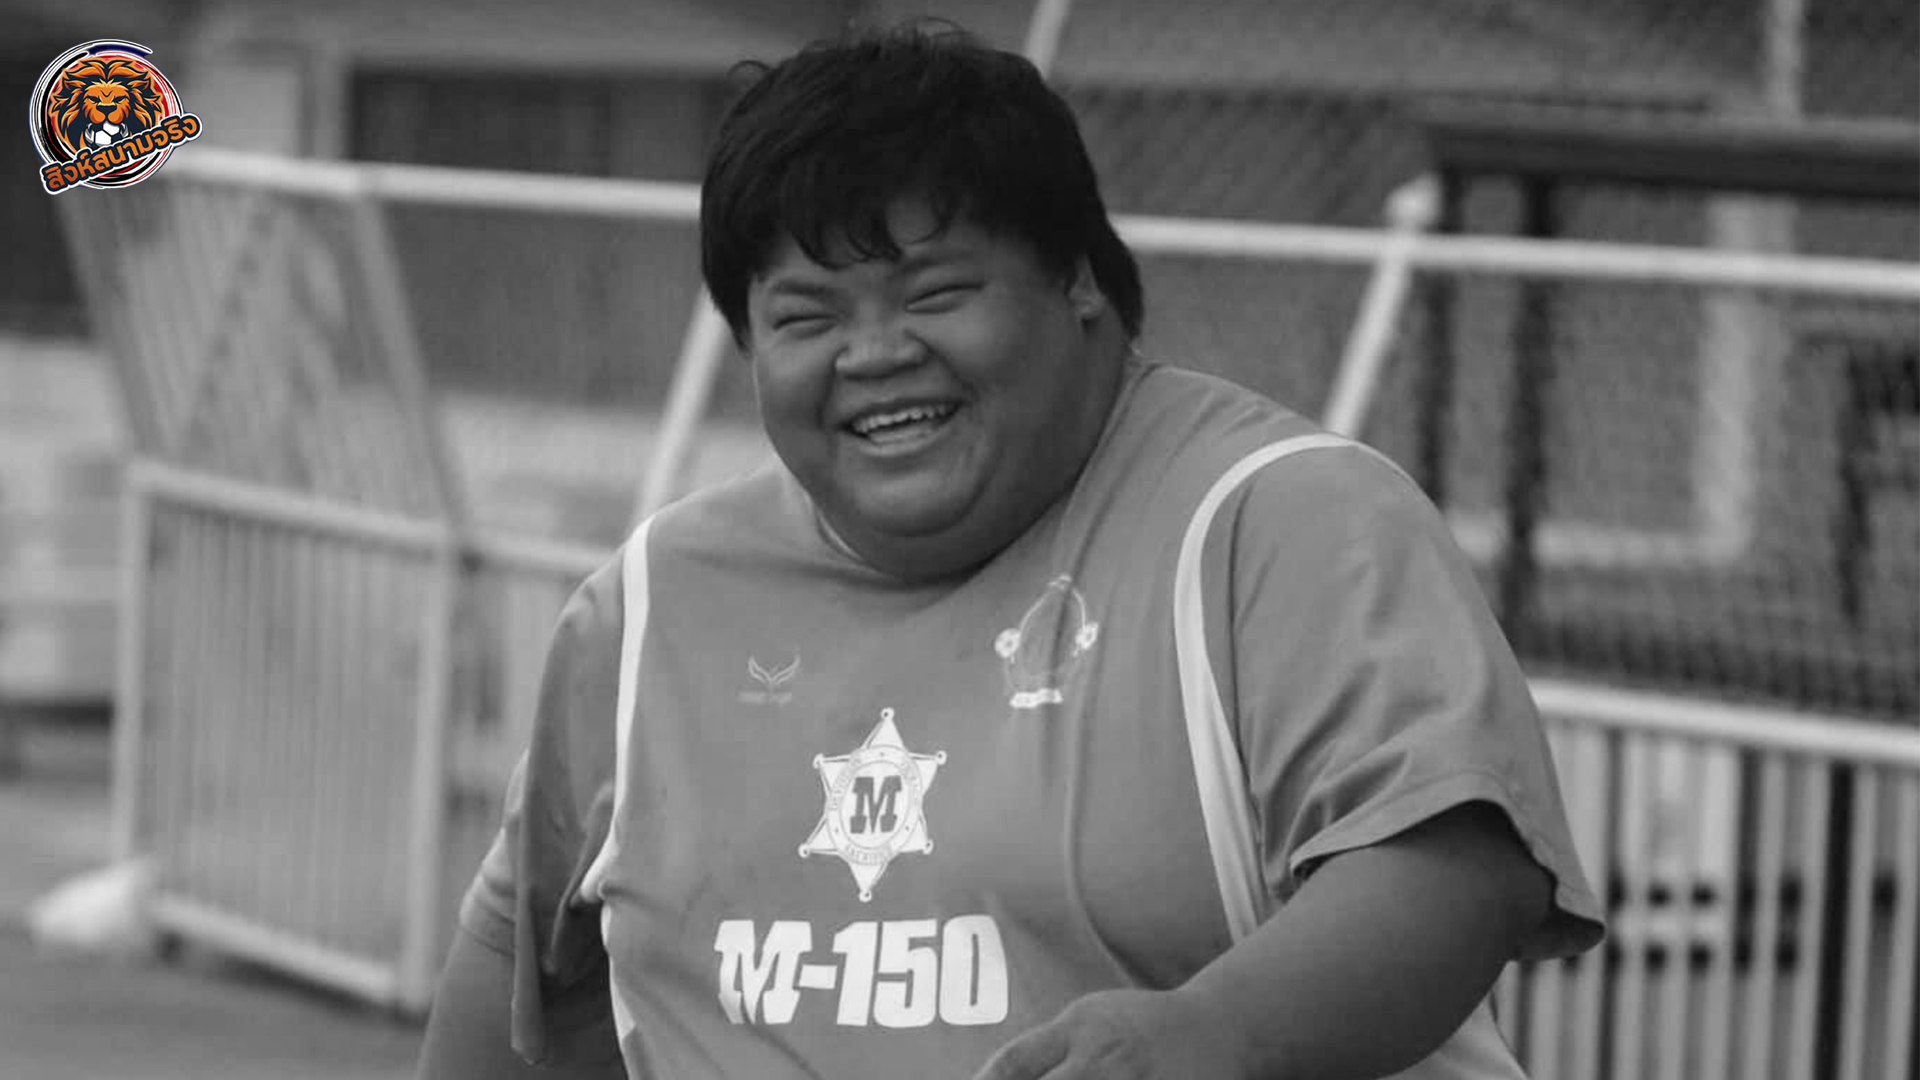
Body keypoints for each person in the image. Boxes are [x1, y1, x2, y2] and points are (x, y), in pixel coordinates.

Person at [416, 23, 1605, 1080]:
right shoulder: (649, 607)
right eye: (806, 316)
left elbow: (1459, 868)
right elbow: (525, 965)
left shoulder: (1278, 520)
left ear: (1077, 277)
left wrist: (1213, 1035)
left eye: (934, 293)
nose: (874, 353)